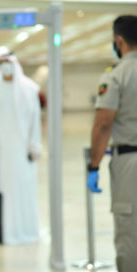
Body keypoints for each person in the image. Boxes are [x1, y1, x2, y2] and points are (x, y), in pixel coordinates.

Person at [87, 15, 137, 272]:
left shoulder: (117, 75)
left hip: (131, 163)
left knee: (130, 230)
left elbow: (103, 124)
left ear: (119, 41)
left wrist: (93, 165)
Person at [0, 52, 42, 245]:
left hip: (23, 153)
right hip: (0, 153)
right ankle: (2, 232)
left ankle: (25, 231)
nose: (5, 66)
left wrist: (34, 145)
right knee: (3, 191)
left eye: (8, 62)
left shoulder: (30, 89)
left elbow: (35, 121)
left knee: (24, 191)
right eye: (1, 63)